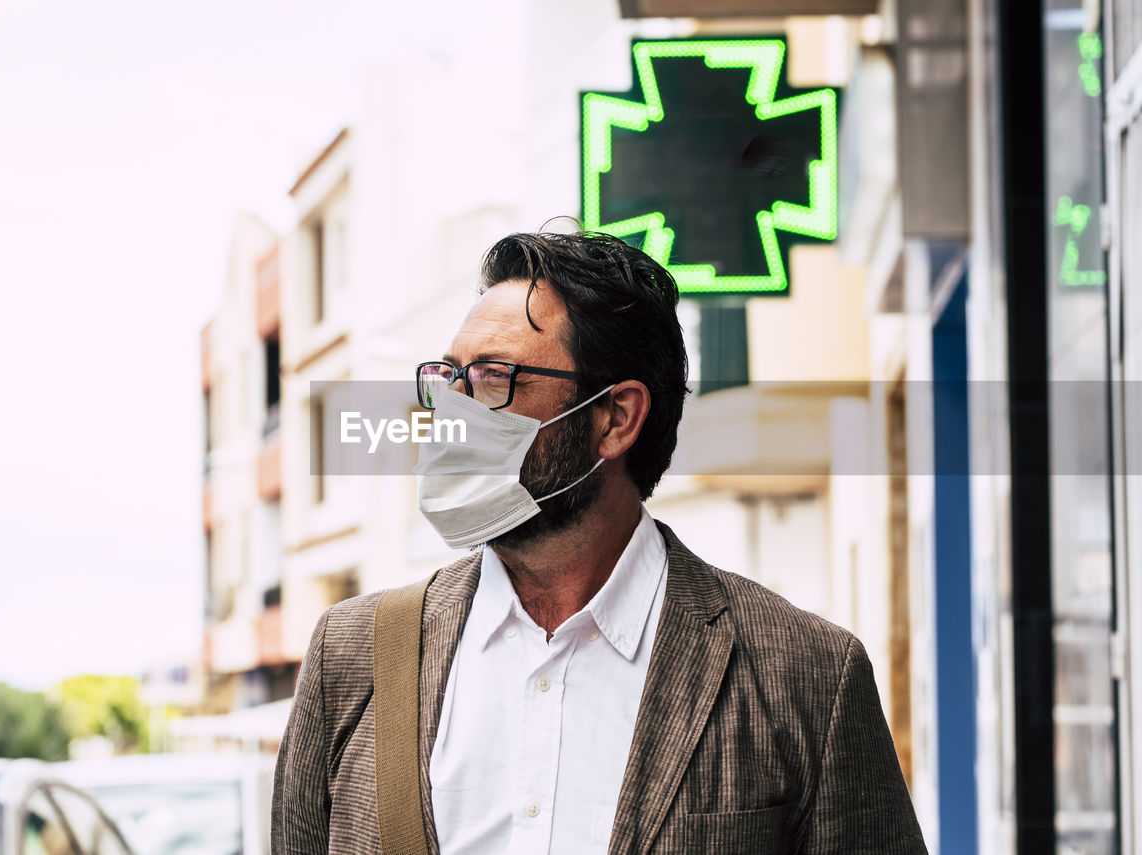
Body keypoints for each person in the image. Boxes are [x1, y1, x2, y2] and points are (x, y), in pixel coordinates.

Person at [272, 230, 927, 854]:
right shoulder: (351, 656)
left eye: (496, 378)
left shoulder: (805, 674)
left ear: (616, 418)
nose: (453, 412)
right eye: (449, 379)